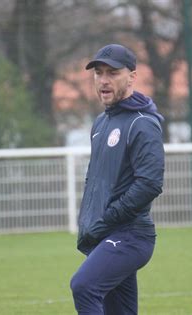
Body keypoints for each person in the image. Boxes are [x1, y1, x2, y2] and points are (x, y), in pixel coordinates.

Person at [70, 43, 165, 314]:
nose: (103, 80)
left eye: (112, 73)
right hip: (105, 234)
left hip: (131, 235)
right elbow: (96, 181)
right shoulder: (101, 124)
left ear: (132, 77)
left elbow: (150, 183)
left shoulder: (142, 123)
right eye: (99, 73)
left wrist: (110, 216)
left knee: (84, 286)